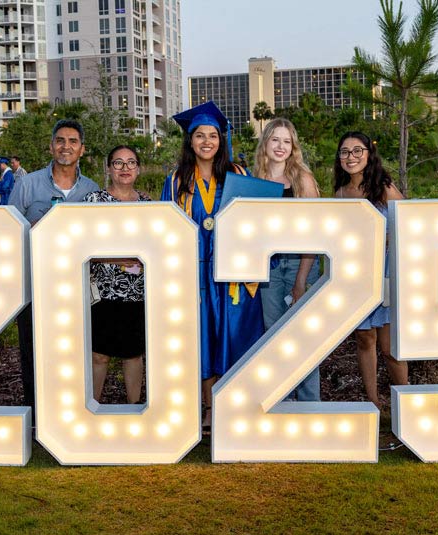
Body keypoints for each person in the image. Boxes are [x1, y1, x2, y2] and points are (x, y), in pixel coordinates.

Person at [162, 101, 263, 434]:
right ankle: (208, 409)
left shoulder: (240, 175)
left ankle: (236, 407)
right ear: (190, 141)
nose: (207, 141)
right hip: (195, 277)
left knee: (234, 338)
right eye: (199, 135)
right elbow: (165, 231)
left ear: (222, 140)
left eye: (213, 136)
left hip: (234, 276)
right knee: (202, 340)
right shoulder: (177, 181)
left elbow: (258, 223)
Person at [9, 119, 99, 414]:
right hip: (35, 284)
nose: (66, 147)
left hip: (75, 288)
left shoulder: (92, 189)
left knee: (73, 352)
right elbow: (7, 230)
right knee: (33, 352)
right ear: (51, 146)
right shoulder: (27, 184)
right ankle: (36, 414)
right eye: (60, 140)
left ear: (82, 150)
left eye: (73, 141)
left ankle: (70, 413)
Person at [334, 131, 408, 411]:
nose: (350, 157)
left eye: (357, 151)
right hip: (359, 276)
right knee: (365, 339)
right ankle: (373, 406)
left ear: (368, 154)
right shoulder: (341, 193)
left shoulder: (384, 188)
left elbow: (407, 224)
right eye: (344, 152)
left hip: (387, 274)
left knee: (390, 348)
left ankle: (406, 409)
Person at [253, 118, 324, 401]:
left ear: (293, 146)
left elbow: (315, 233)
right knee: (274, 336)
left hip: (299, 263)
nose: (280, 146)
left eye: (286, 141)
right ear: (265, 144)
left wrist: (301, 280)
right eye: (275, 140)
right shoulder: (253, 181)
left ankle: (310, 403)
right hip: (268, 267)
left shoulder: (302, 179)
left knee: (302, 336)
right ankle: (280, 399)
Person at [84, 146, 152, 404]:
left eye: (131, 162)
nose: (125, 168)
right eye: (118, 163)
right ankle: (92, 408)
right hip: (102, 290)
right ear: (108, 168)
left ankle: (134, 408)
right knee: (99, 354)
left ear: (139, 168)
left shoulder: (148, 204)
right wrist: (118, 258)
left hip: (137, 291)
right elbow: (84, 247)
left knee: (133, 353)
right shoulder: (94, 201)